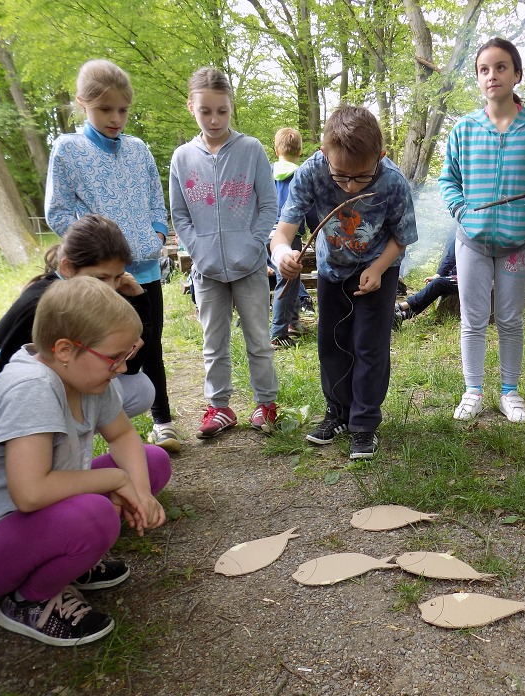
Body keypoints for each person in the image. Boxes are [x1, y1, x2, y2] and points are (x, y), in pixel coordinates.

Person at [0, 277, 171, 646]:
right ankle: (29, 601)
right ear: (65, 349)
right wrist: (117, 481)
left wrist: (137, 488)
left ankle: (66, 557)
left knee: (152, 462)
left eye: (128, 355)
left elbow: (121, 436)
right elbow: (30, 492)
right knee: (95, 514)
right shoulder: (32, 388)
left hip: (22, 520)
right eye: (114, 357)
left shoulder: (87, 378)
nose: (121, 368)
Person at [45, 59, 178, 453]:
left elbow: (157, 201)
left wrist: (154, 235)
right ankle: (106, 428)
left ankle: (164, 421)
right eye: (105, 109)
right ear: (82, 103)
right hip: (98, 277)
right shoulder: (68, 149)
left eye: (122, 109)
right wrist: (92, 255)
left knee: (147, 343)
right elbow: (58, 211)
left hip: (146, 270)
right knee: (103, 349)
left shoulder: (138, 149)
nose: (116, 118)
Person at [271, 105, 418, 459]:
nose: (351, 187)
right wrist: (281, 256)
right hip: (331, 270)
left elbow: (403, 236)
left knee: (369, 345)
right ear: (324, 155)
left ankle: (364, 424)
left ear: (380, 157)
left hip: (376, 273)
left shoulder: (393, 181)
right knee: (331, 343)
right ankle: (338, 411)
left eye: (362, 177)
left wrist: (380, 269)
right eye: (341, 177)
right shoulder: (309, 174)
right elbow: (283, 231)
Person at [438, 38, 525, 425]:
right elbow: (448, 180)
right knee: (473, 320)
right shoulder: (464, 129)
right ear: (478, 78)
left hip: (516, 244)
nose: (492, 75)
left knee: (509, 319)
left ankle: (511, 392)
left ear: (517, 74)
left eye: (501, 67)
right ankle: (472, 390)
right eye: (484, 69)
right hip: (471, 241)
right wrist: (462, 212)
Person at [169, 67, 280, 437]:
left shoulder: (250, 150)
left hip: (249, 267)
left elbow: (269, 205)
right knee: (213, 343)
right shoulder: (182, 158)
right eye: (205, 111)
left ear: (232, 107)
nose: (214, 119)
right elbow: (180, 214)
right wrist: (196, 248)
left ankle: (266, 404)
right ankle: (220, 408)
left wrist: (253, 243)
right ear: (191, 108)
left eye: (222, 111)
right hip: (206, 269)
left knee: (258, 340)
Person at [0, 215, 156, 427]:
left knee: (139, 387)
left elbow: (128, 368)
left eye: (117, 277)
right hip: (2, 415)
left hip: (40, 395)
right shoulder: (49, 305)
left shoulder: (81, 295)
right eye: (100, 278)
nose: (110, 288)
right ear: (67, 268)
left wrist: (140, 301)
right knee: (113, 389)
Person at [270, 127, 318, 349]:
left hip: (265, 233)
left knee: (292, 280)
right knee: (287, 282)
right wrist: (315, 228)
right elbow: (308, 207)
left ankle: (292, 322)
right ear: (299, 151)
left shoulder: (268, 173)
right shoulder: (301, 175)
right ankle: (278, 332)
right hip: (288, 235)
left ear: (276, 149)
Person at [393, 229, 459, 328]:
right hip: (455, 276)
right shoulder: (461, 235)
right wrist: (437, 275)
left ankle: (400, 307)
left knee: (439, 284)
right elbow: (450, 258)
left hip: (471, 279)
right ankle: (401, 316)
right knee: (437, 284)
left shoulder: (480, 237)